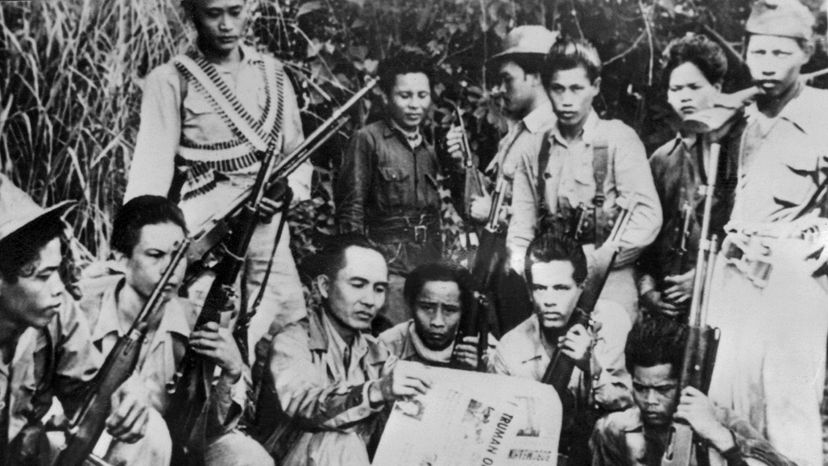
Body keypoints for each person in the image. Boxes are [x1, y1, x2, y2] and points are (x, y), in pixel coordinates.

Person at [125, 0, 313, 362]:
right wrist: (144, 245)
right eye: (214, 13)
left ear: (249, 9)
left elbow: (298, 156)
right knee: (203, 337)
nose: (226, 24)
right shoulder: (171, 79)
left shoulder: (274, 75)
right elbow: (150, 173)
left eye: (235, 11)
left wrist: (287, 191)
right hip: (207, 231)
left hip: (268, 232)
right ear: (194, 13)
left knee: (284, 333)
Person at [703, 1, 828, 464]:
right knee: (727, 397)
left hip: (797, 281)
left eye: (781, 54)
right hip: (734, 275)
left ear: (806, 53)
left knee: (789, 401)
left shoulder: (823, 115)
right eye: (758, 54)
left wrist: (804, 246)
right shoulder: (738, 119)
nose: (767, 66)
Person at [78, 195, 272, 465]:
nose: (170, 269)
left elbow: (209, 431)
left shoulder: (196, 322)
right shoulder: (81, 311)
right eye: (155, 255)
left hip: (170, 451)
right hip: (84, 443)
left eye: (178, 256)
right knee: (150, 429)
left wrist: (230, 372)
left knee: (248, 457)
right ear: (121, 259)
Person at [0, 174, 158, 465]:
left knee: (151, 432)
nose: (58, 288)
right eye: (44, 276)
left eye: (57, 271)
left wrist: (129, 389)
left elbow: (92, 390)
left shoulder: (58, 312)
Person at [508, 38, 662, 322]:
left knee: (607, 359)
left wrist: (591, 261)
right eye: (558, 88)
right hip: (550, 288)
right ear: (547, 88)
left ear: (595, 87)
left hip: (608, 284)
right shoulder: (533, 149)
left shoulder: (618, 140)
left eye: (577, 88)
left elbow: (647, 218)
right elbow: (521, 227)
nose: (567, 100)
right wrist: (528, 270)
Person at [266, 234, 434, 465]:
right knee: (339, 440)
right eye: (358, 285)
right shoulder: (292, 342)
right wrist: (377, 390)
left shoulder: (377, 353)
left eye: (379, 289)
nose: (370, 300)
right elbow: (306, 406)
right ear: (324, 286)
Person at [446, 25, 558, 333]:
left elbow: (554, 217)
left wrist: (500, 216)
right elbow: (491, 197)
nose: (500, 88)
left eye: (507, 79)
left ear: (535, 76)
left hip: (526, 278)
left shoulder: (551, 134)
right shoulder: (519, 133)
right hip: (498, 272)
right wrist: (461, 165)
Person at [490, 231, 632, 464]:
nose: (549, 300)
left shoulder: (611, 322)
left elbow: (626, 402)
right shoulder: (511, 347)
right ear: (529, 291)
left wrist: (591, 367)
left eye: (561, 288)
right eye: (540, 288)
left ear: (582, 287)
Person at [591, 317, 796, 466]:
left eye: (664, 389)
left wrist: (721, 437)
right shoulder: (615, 430)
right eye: (641, 388)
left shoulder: (721, 422)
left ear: (682, 383)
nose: (650, 400)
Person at [335, 50, 443, 329]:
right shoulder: (367, 140)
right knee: (389, 342)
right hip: (387, 267)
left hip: (427, 267)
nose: (414, 105)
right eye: (404, 96)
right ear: (387, 96)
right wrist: (359, 271)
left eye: (422, 95)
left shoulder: (429, 150)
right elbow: (351, 210)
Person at [637, 34, 739, 319]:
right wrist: (648, 291)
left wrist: (706, 277)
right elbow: (645, 239)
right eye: (676, 88)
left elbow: (746, 233)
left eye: (694, 87)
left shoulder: (737, 153)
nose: (684, 96)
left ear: (717, 88)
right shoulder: (661, 160)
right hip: (667, 306)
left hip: (722, 300)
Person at [379, 262, 492, 369]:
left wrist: (480, 371)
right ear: (411, 305)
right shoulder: (386, 346)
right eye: (427, 308)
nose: (437, 322)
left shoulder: (485, 349)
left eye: (450, 310)